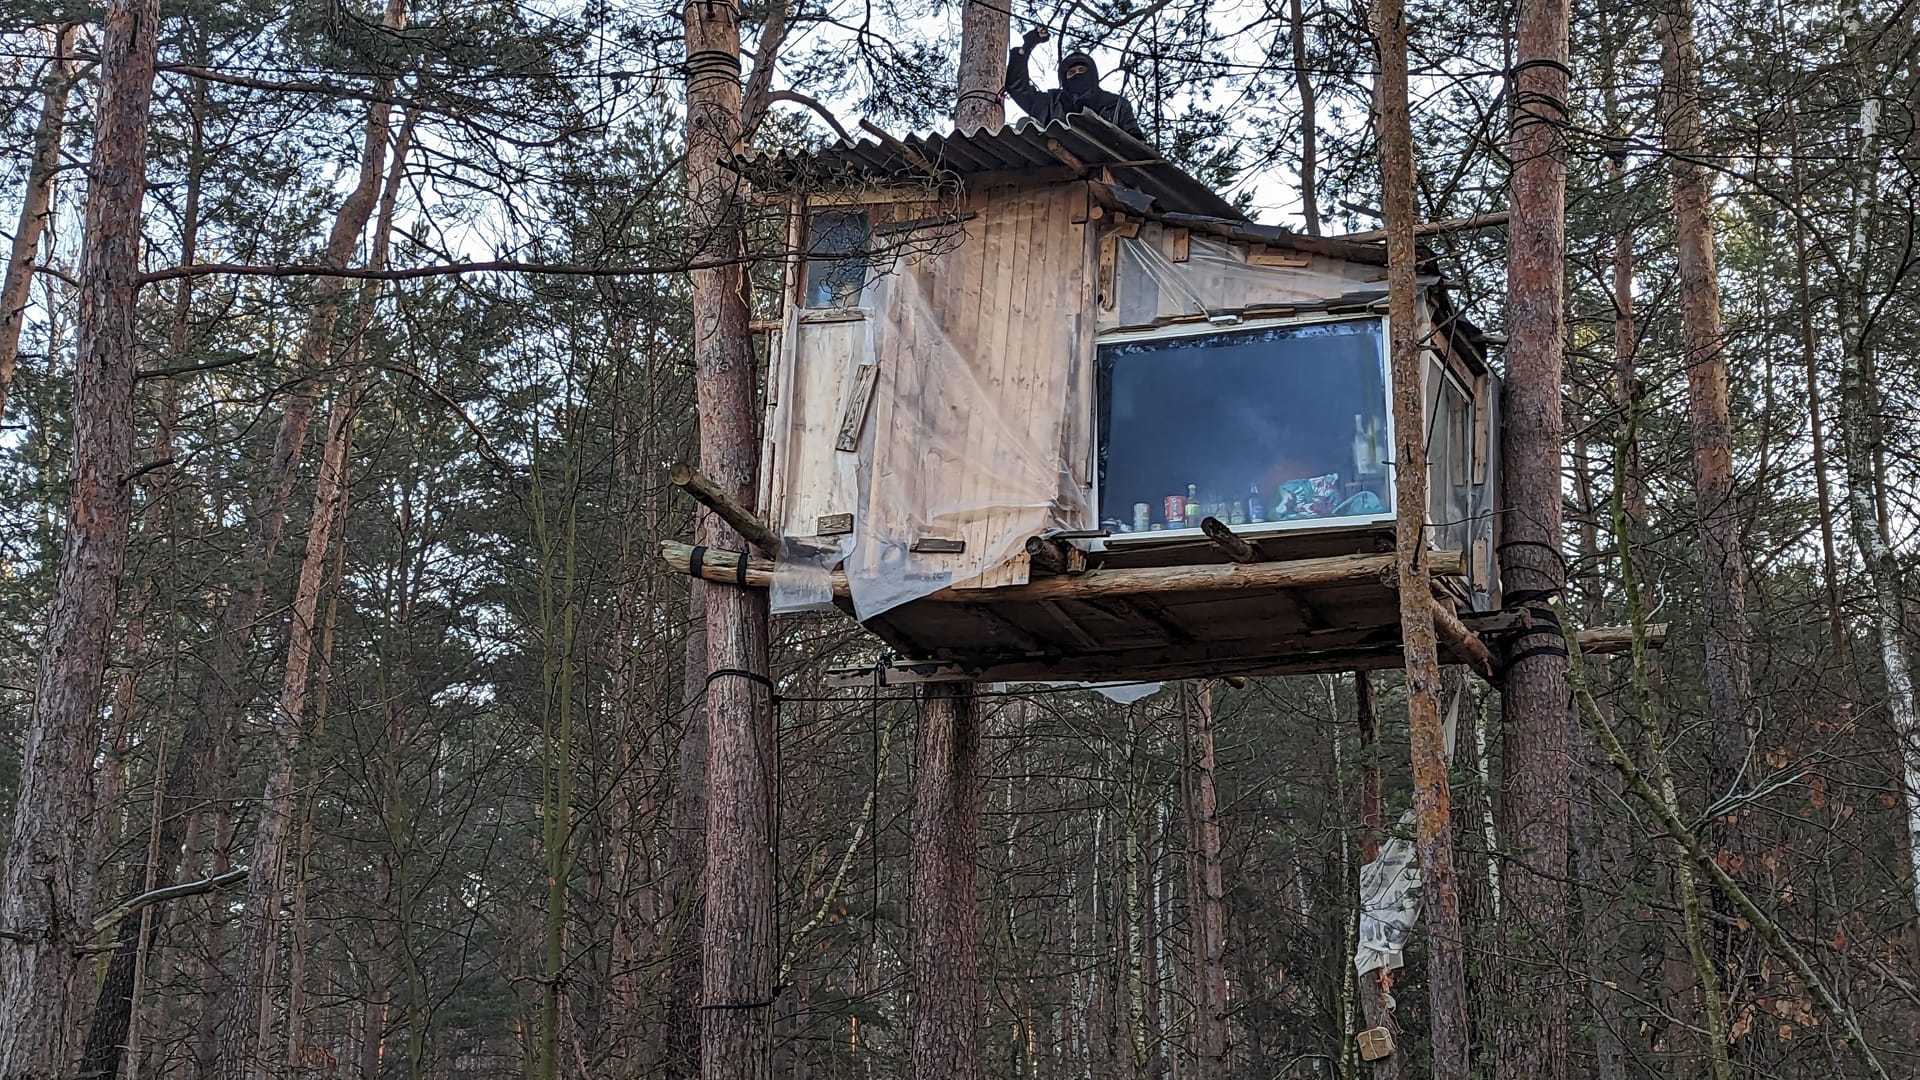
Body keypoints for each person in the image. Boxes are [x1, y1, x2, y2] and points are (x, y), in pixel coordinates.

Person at [1003, 26, 1146, 141]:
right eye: (1071, 73)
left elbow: (1135, 141)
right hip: (1056, 162)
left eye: (1081, 69)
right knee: (1026, 123)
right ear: (1065, 80)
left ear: (1092, 74)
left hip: (1103, 163)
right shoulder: (1050, 104)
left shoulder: (1116, 105)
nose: (1077, 74)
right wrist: (1027, 46)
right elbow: (1017, 86)